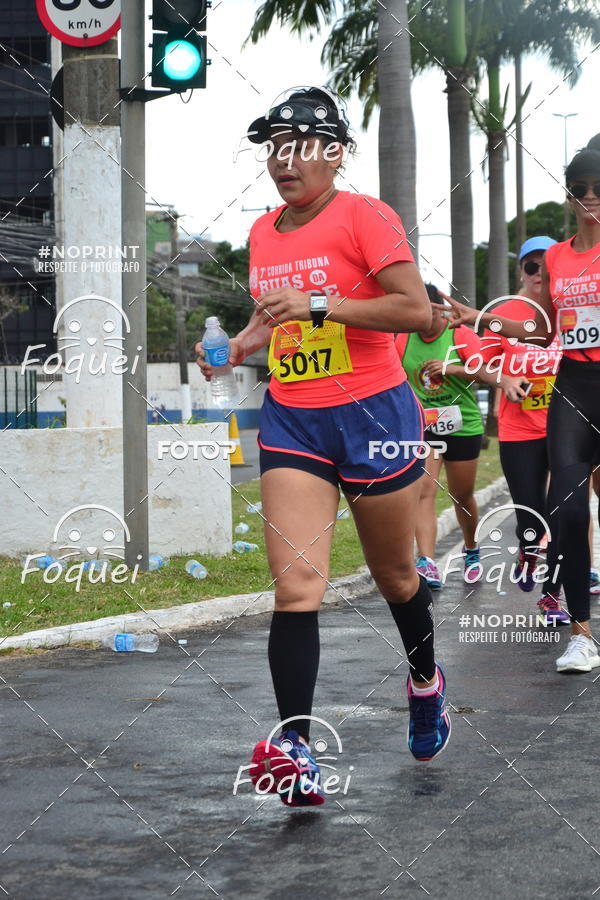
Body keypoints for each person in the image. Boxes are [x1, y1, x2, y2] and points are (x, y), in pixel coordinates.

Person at [196, 87, 450, 806]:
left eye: (301, 145)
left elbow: (417, 311)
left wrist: (321, 303)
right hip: (295, 419)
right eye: (275, 147)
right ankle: (297, 749)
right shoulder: (263, 232)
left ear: (335, 152)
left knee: (398, 578)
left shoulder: (366, 215)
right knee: (296, 585)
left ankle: (425, 681)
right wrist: (236, 349)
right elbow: (268, 322)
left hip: (374, 414)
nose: (284, 161)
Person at [442, 134, 600, 673]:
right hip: (574, 390)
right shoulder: (556, 257)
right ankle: (581, 633)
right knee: (568, 509)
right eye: (581, 190)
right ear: (570, 197)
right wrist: (478, 319)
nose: (591, 198)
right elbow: (543, 328)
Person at [395, 285, 524, 589]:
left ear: (440, 310)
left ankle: (471, 550)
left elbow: (483, 371)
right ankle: (426, 562)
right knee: (424, 489)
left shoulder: (460, 334)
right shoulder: (403, 339)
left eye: (426, 312)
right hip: (424, 426)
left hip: (462, 424)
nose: (419, 319)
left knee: (461, 495)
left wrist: (449, 367)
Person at [479, 237, 570, 626]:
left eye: (545, 266)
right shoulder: (506, 313)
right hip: (519, 430)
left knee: (564, 513)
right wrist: (504, 379)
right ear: (521, 271)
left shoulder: (571, 310)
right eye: (530, 267)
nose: (538, 274)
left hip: (566, 428)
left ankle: (552, 598)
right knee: (531, 515)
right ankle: (527, 549)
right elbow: (480, 364)